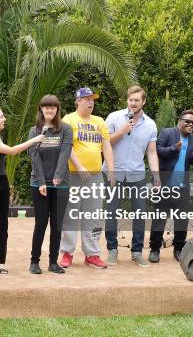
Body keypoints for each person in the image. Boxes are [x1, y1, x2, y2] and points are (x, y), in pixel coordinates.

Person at [0, 107, 44, 274]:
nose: (4, 119)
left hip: (2, 181)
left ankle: (1, 262)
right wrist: (34, 140)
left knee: (3, 224)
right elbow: (11, 151)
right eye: (1, 116)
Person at [104, 85, 160, 267]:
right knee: (111, 212)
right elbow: (103, 144)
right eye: (130, 100)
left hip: (137, 173)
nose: (133, 103)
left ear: (143, 102)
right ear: (127, 100)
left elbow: (151, 153)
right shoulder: (114, 117)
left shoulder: (150, 124)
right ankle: (112, 250)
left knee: (139, 213)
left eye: (137, 100)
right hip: (113, 172)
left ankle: (137, 252)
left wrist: (156, 176)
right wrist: (121, 131)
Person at [59, 87, 114, 270]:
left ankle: (92, 254)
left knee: (93, 215)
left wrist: (111, 171)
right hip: (73, 175)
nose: (91, 102)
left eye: (93, 99)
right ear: (78, 101)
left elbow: (106, 147)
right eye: (87, 99)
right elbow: (67, 146)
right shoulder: (69, 119)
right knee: (71, 214)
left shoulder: (99, 121)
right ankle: (67, 253)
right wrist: (79, 165)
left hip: (96, 176)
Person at [148, 110, 193, 263]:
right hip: (164, 185)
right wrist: (173, 148)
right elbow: (156, 151)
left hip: (182, 188)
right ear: (179, 120)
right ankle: (154, 248)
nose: (191, 125)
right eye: (187, 121)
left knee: (182, 220)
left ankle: (179, 248)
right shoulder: (167, 133)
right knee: (159, 219)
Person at [27, 95, 73, 274]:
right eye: (46, 107)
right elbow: (34, 156)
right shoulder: (35, 131)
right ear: (41, 109)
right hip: (39, 184)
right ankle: (34, 262)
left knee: (57, 224)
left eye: (53, 107)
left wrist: (58, 176)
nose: (49, 110)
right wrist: (40, 181)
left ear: (57, 109)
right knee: (40, 223)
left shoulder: (66, 129)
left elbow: (65, 153)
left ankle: (53, 262)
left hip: (60, 184)